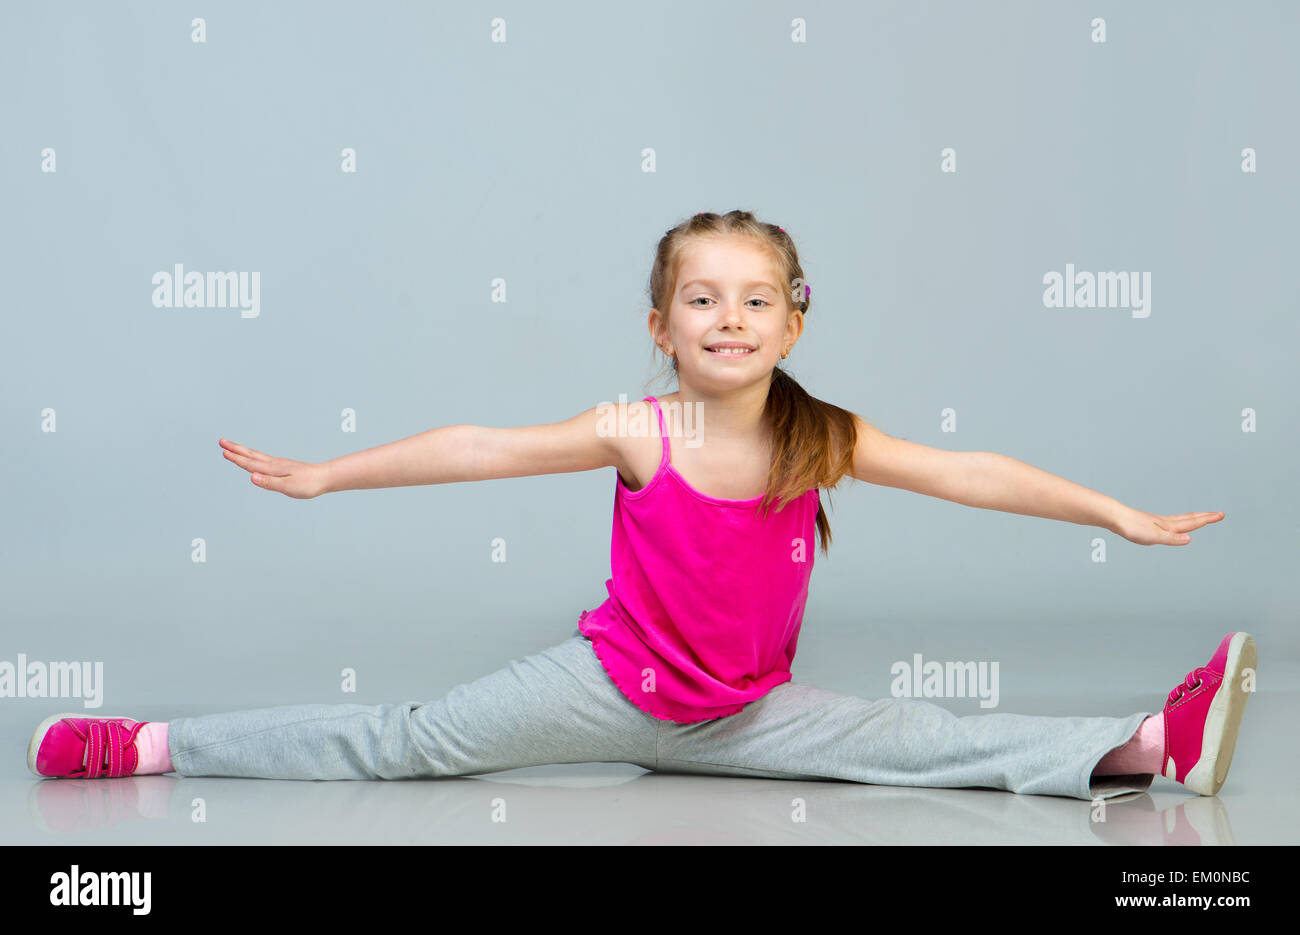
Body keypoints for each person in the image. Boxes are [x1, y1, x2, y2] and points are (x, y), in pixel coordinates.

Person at [28, 210, 1257, 801]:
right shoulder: (638, 431)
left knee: (919, 737)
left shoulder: (817, 437)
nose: (731, 319)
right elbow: (476, 445)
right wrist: (326, 473)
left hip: (748, 713)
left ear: (795, 317)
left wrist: (1116, 514)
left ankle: (1150, 744)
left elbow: (970, 470)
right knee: (402, 741)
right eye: (704, 299)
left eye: (757, 298)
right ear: (659, 325)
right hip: (605, 686)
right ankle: (146, 744)